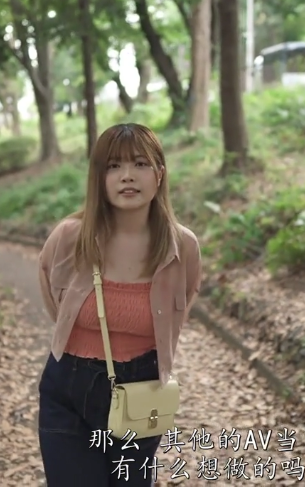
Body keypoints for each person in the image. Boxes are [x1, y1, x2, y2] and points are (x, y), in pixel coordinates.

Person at [36, 123, 202, 486]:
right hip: (68, 387)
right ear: (99, 178)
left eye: (140, 164)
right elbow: (50, 289)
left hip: (143, 389)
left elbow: (183, 304)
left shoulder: (183, 246)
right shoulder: (69, 237)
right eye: (114, 166)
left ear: (159, 174)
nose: (127, 176)